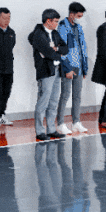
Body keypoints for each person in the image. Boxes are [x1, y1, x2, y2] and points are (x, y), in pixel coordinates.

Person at [28, 9, 68, 141]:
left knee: (53, 101)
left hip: (56, 70)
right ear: (48, 21)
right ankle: (40, 131)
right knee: (43, 101)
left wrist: (57, 49)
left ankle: (51, 129)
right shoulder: (38, 34)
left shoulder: (55, 33)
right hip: (45, 71)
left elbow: (65, 48)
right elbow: (48, 52)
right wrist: (58, 54)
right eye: (55, 21)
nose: (57, 24)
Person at [55, 2, 89, 135]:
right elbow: (62, 51)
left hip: (79, 66)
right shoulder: (62, 27)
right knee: (65, 95)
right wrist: (67, 68)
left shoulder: (79, 27)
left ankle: (76, 122)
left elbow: (83, 48)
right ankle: (60, 124)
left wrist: (84, 67)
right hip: (69, 66)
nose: (80, 18)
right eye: (78, 16)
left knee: (77, 96)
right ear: (71, 14)